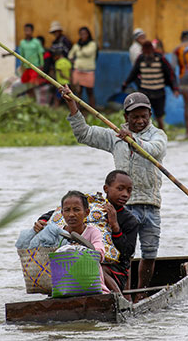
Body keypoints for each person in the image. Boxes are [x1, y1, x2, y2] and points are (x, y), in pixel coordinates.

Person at [60, 85, 167, 301]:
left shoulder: (158, 135)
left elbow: (155, 149)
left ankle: (141, 296)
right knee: (123, 256)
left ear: (150, 116)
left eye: (143, 117)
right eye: (135, 117)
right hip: (124, 208)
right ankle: (124, 298)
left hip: (150, 204)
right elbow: (84, 133)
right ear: (126, 117)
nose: (139, 121)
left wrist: (133, 139)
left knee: (149, 251)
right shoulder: (115, 137)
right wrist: (72, 104)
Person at [31, 170, 139, 293]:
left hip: (114, 268)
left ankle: (117, 298)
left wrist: (115, 226)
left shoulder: (130, 220)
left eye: (129, 191)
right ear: (106, 189)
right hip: (79, 262)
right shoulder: (94, 206)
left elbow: (127, 254)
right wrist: (41, 221)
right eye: (120, 189)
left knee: (96, 269)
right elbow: (58, 213)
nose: (125, 194)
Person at [123, 41, 179, 131]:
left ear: (153, 51)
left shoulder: (161, 58)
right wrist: (125, 83)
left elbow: (170, 73)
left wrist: (175, 88)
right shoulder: (140, 59)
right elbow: (133, 73)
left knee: (159, 116)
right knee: (143, 117)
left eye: (149, 53)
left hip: (159, 92)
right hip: (145, 93)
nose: (148, 55)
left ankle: (161, 135)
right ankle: (144, 136)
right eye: (146, 53)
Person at [68, 26, 98, 108]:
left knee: (90, 91)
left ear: (88, 34)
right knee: (78, 92)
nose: (83, 35)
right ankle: (77, 111)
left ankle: (93, 111)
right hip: (78, 71)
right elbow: (70, 55)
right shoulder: (77, 45)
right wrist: (74, 61)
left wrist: (79, 51)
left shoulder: (92, 44)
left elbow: (88, 53)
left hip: (89, 71)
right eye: (81, 34)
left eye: (85, 34)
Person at [18, 23, 44, 100]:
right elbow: (21, 55)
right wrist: (22, 66)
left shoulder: (36, 42)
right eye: (25, 30)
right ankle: (31, 102)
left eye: (28, 30)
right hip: (26, 68)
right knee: (26, 86)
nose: (27, 32)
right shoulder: (22, 43)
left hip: (35, 67)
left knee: (32, 85)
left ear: (32, 31)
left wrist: (41, 65)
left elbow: (40, 55)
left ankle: (35, 101)